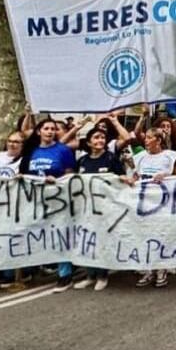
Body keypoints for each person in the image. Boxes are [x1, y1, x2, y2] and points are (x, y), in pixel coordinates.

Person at [17, 117, 77, 292]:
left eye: (53, 129)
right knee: (36, 233)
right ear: (39, 132)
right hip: (35, 200)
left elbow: (70, 176)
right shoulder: (31, 151)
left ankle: (65, 274)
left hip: (58, 200)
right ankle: (32, 269)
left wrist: (57, 181)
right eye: (46, 128)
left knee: (60, 235)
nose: (50, 131)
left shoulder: (63, 151)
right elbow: (24, 173)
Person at [126, 128, 176, 289]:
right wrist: (130, 180)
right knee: (144, 235)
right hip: (143, 203)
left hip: (162, 203)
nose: (146, 141)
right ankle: (148, 270)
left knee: (160, 234)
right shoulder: (140, 157)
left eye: (150, 138)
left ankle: (161, 269)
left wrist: (166, 176)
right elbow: (136, 176)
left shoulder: (170, 157)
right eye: (146, 138)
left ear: (158, 140)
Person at [73, 127, 126, 291]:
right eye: (96, 138)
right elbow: (74, 182)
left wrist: (124, 178)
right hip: (85, 208)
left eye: (103, 138)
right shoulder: (82, 161)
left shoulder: (110, 158)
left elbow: (120, 178)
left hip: (105, 208)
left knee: (102, 240)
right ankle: (90, 275)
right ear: (89, 142)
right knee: (87, 240)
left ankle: (103, 275)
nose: (100, 141)